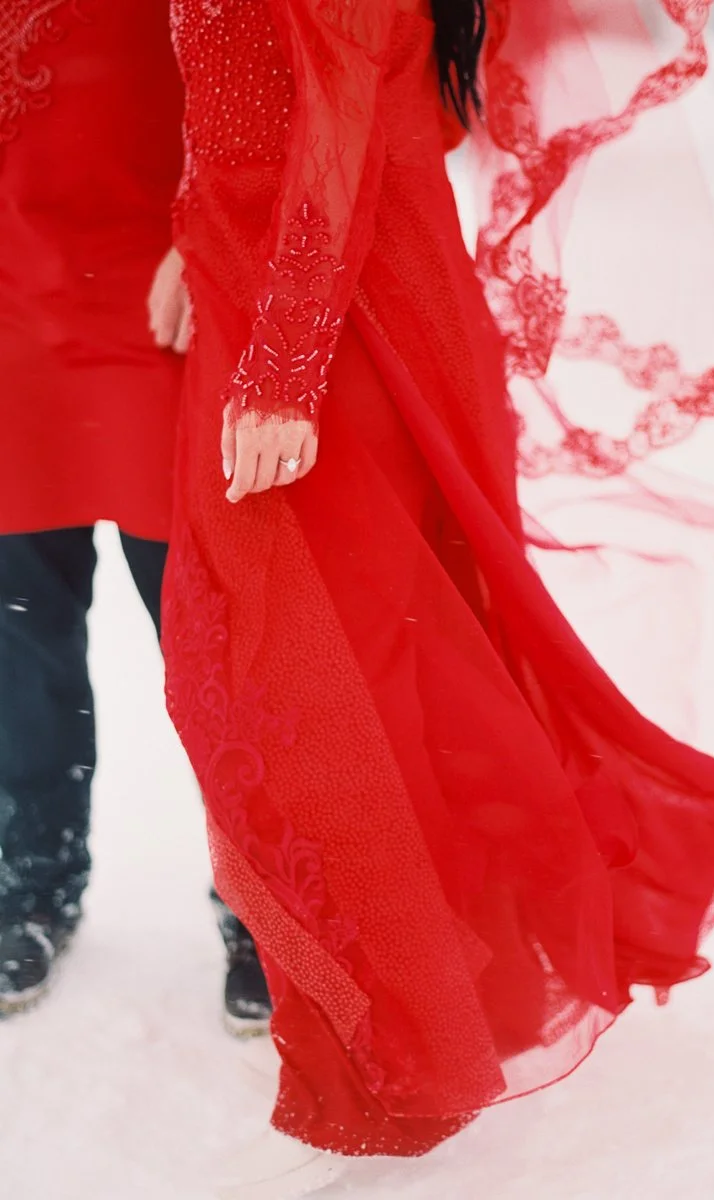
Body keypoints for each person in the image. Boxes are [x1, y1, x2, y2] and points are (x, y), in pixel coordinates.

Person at [163, 0, 714, 1193]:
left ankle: (402, 1044)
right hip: (288, 294)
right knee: (354, 675)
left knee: (306, 683)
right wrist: (191, 241)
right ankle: (424, 1002)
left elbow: (347, 128)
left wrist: (281, 372)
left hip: (334, 327)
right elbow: (273, 97)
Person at [0, 0, 271, 1035]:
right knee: (15, 631)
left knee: (211, 632)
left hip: (165, 291)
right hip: (9, 299)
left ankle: (261, 901)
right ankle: (33, 881)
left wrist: (218, 234)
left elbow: (273, 80)